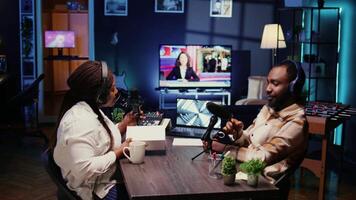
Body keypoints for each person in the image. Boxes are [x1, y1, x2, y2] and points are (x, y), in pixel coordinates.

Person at [207, 60, 308, 185]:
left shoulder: (297, 122)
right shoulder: (268, 108)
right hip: (243, 173)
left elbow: (262, 158)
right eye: (268, 82)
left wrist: (227, 149)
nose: (268, 89)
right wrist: (238, 133)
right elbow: (249, 140)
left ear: (293, 87)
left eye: (275, 84)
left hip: (261, 185)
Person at [52, 61, 137, 200]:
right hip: (95, 192)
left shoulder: (90, 108)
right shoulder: (78, 122)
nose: (116, 92)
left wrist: (123, 125)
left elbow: (99, 137)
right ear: (99, 94)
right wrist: (119, 152)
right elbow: (83, 169)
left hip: (104, 180)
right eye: (112, 89)